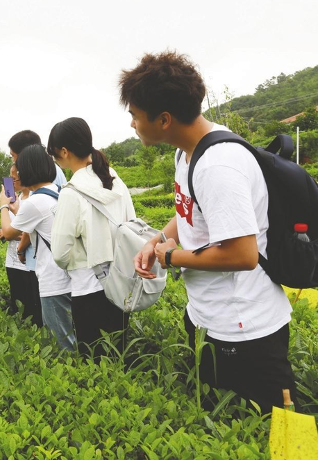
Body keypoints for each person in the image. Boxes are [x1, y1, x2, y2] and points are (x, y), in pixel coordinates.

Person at [121, 51, 296, 412]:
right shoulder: (187, 152)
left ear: (164, 119)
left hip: (246, 331)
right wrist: (155, 239)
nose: (133, 124)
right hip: (207, 317)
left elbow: (242, 255)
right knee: (217, 422)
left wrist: (169, 256)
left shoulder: (218, 165)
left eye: (136, 116)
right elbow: (188, 210)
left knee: (266, 431)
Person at [48, 117, 134, 360]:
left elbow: (60, 253)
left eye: (54, 154)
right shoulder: (115, 180)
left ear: (64, 151)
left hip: (88, 288)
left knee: (95, 361)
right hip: (120, 283)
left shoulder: (71, 193)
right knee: (120, 357)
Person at [0, 145, 75, 350]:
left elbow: (8, 232)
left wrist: (3, 205)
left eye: (20, 169)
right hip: (71, 275)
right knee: (72, 334)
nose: (16, 175)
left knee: (61, 343)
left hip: (53, 280)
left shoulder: (35, 201)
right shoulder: (58, 192)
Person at [0, 163, 42, 326]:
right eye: (10, 176)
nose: (12, 180)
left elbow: (31, 233)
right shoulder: (14, 200)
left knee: (31, 305)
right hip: (12, 260)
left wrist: (11, 234)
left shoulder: (32, 201)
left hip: (27, 262)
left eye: (15, 176)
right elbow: (9, 228)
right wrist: (4, 233)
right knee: (17, 303)